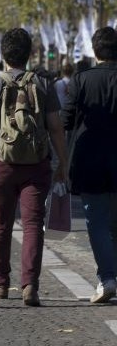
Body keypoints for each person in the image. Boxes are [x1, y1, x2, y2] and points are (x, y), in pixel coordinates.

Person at [0, 28, 68, 307]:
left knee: (1, 224)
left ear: (3, 53)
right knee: (32, 226)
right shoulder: (43, 83)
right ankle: (30, 285)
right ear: (29, 54)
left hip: (2, 160)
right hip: (37, 163)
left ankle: (0, 282)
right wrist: (63, 162)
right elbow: (55, 127)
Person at [61, 26, 117, 304]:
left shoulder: (81, 80)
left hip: (89, 158)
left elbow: (66, 120)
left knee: (96, 222)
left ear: (95, 51)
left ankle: (107, 278)